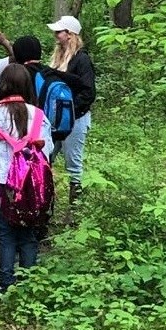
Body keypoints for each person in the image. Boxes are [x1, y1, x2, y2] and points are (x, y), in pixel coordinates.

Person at [0, 63, 54, 292]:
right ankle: (29, 283)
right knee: (28, 233)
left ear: (3, 86)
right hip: (31, 186)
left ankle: (6, 283)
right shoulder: (38, 115)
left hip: (1, 185)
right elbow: (46, 150)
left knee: (6, 234)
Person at [45, 15, 96, 208]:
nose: (56, 35)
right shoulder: (57, 59)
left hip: (76, 119)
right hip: (56, 119)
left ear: (70, 34)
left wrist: (71, 111)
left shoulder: (81, 60)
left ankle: (76, 211)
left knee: (73, 163)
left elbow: (88, 91)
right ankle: (45, 203)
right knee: (46, 156)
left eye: (59, 32)